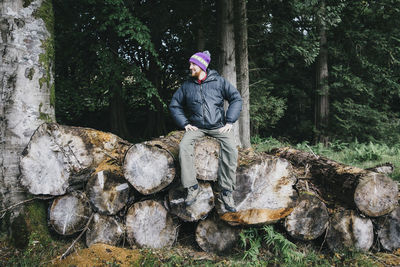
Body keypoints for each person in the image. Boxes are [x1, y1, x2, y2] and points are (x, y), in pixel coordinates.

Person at [169, 51, 242, 212]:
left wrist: (230, 120)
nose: (190, 67)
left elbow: (236, 98)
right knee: (183, 147)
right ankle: (192, 187)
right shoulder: (187, 86)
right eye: (190, 64)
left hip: (218, 126)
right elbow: (175, 104)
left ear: (202, 65)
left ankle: (226, 191)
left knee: (231, 149)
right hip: (197, 127)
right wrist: (185, 123)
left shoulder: (219, 82)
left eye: (193, 64)